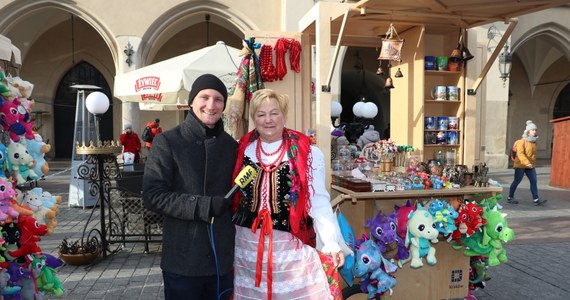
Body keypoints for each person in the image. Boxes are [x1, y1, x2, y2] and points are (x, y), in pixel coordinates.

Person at [231, 89, 345, 300]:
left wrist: (331, 241)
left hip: (289, 248)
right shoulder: (242, 150)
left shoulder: (307, 152)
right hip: (247, 246)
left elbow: (318, 200)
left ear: (284, 114)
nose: (268, 120)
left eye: (274, 113)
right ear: (253, 118)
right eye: (261, 114)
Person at [143, 74, 237, 300]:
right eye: (204, 97)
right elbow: (153, 196)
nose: (211, 105)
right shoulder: (167, 141)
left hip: (220, 261)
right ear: (192, 101)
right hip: (183, 260)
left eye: (218, 99)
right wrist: (204, 205)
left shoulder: (232, 146)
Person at [508, 120, 547, 205]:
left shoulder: (534, 142)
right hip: (520, 165)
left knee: (534, 181)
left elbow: (532, 155)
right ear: (528, 131)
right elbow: (520, 154)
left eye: (535, 130)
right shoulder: (522, 141)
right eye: (533, 130)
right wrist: (526, 162)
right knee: (517, 181)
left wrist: (532, 164)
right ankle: (510, 197)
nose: (535, 131)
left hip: (530, 166)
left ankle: (536, 199)